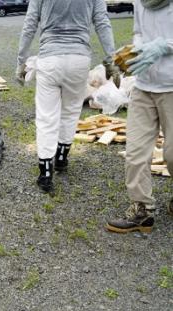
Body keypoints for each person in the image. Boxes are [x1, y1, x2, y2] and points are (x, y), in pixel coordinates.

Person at [16, 0, 120, 193]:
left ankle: (45, 171)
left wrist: (21, 62)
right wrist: (110, 60)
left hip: (50, 59)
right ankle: (62, 157)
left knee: (47, 116)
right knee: (71, 111)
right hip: (79, 59)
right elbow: (102, 22)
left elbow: (30, 23)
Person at [106, 0, 173, 233]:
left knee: (171, 154)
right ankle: (142, 210)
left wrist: (164, 46)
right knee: (135, 152)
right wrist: (136, 49)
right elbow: (138, 30)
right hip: (144, 86)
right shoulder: (140, 1)